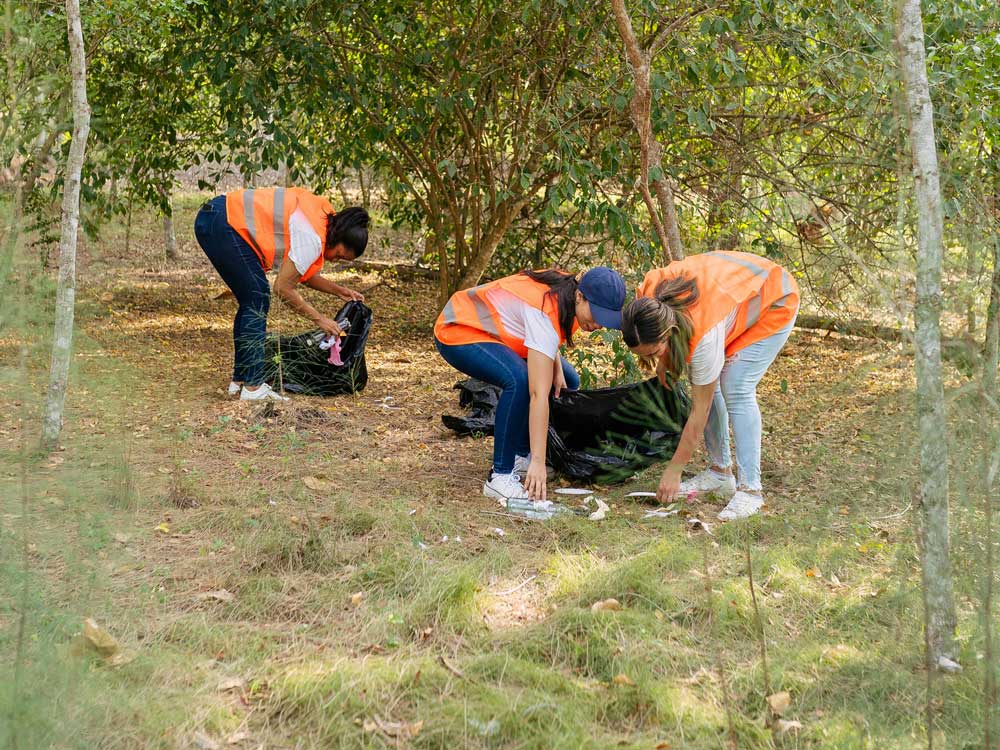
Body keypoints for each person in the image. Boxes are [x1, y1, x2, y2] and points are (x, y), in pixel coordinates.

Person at [621, 251, 799, 520]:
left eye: (655, 351)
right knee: (709, 382)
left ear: (668, 333)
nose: (652, 359)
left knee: (735, 386)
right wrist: (660, 358)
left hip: (774, 297)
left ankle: (751, 490)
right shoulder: (645, 307)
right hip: (732, 294)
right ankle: (720, 473)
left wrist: (675, 470)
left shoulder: (701, 334)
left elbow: (699, 411)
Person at [435, 267, 627, 502]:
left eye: (605, 319)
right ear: (580, 296)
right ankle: (500, 477)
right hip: (459, 328)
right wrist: (539, 461)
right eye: (597, 314)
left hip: (500, 335)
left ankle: (520, 455)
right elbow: (537, 393)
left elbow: (546, 327)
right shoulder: (545, 310)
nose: (599, 324)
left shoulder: (568, 291)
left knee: (569, 379)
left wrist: (554, 361)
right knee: (519, 381)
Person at [194, 187, 369, 401]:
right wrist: (320, 320)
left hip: (218, 217)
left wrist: (340, 291)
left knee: (252, 298)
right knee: (257, 297)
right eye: (340, 255)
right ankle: (253, 387)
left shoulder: (321, 221)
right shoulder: (311, 237)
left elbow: (303, 275)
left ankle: (240, 382)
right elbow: (283, 287)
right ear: (339, 237)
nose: (335, 260)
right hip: (224, 222)